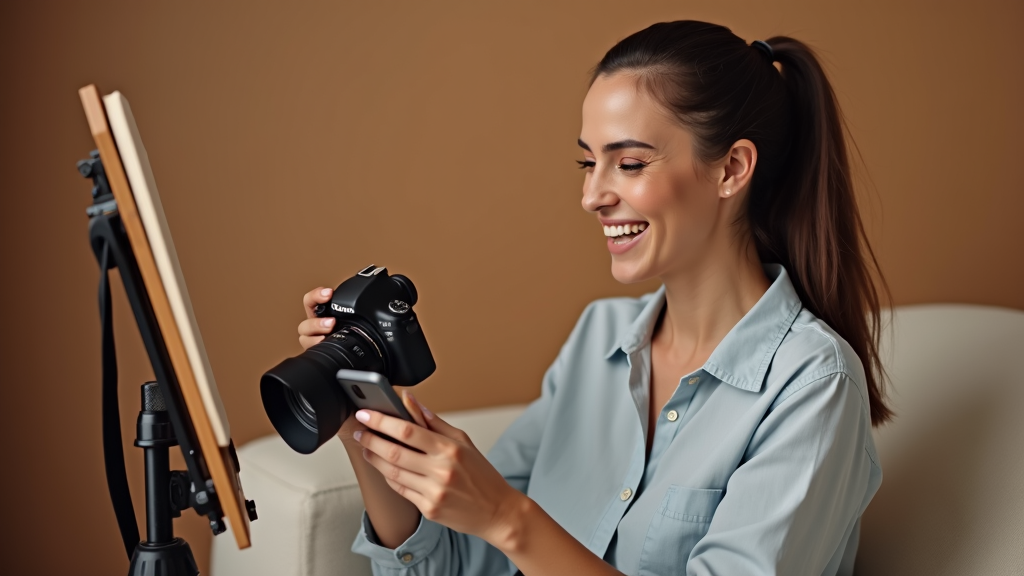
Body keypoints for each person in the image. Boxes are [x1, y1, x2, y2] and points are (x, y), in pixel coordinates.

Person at [296, 20, 891, 576]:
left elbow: (505, 525)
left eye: (629, 163)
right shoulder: (598, 337)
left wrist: (509, 516)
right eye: (588, 162)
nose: (592, 196)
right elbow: (459, 562)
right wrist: (357, 416)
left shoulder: (813, 384)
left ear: (732, 168)